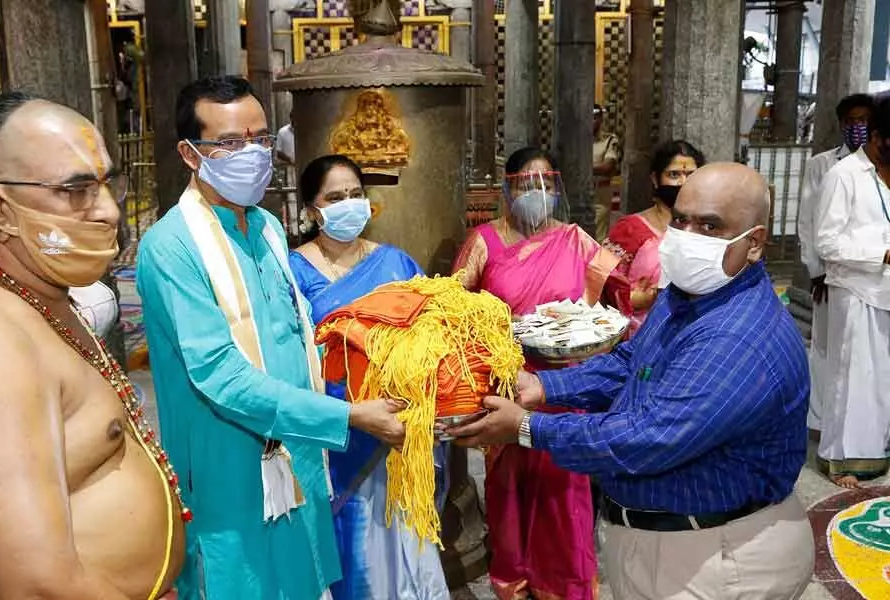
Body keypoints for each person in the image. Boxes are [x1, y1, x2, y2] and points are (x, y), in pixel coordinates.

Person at [448, 162, 815, 600]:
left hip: (717, 556)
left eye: (710, 225)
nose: (687, 235)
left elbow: (649, 437)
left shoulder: (737, 336)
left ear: (754, 243)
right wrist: (545, 388)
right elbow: (630, 360)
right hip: (663, 541)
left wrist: (527, 426)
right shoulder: (690, 293)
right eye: (681, 220)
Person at [0, 92, 186, 600]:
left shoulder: (35, 298)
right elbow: (37, 585)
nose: (109, 211)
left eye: (105, 185)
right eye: (75, 190)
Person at [135, 76, 405, 600]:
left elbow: (293, 335)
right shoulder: (170, 247)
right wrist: (347, 415)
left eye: (260, 140)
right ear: (191, 155)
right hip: (229, 470)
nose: (252, 155)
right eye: (230, 143)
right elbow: (222, 377)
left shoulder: (265, 227)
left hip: (297, 455)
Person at [451, 147, 630, 600]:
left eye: (546, 184)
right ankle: (514, 580)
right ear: (509, 188)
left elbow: (616, 298)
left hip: (566, 381)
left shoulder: (574, 239)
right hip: (506, 382)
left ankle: (564, 583)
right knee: (510, 487)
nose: (537, 193)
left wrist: (626, 273)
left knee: (564, 487)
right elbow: (452, 308)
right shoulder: (484, 242)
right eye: (527, 184)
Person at [289, 154, 450, 600]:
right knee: (352, 559)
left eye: (356, 194)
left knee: (403, 559)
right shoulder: (292, 272)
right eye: (335, 197)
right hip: (337, 435)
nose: (349, 204)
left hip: (399, 435)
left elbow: (432, 336)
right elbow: (287, 358)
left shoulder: (397, 263)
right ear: (310, 209)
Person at [814, 97, 890, 488]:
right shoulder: (844, 175)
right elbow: (826, 243)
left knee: (882, 380)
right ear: (879, 137)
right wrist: (882, 254)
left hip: (886, 290)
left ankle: (878, 450)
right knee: (853, 377)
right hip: (856, 289)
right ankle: (841, 460)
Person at [797, 93, 874, 436]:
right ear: (842, 124)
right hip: (830, 274)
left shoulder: (879, 167)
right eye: (851, 121)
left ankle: (857, 423)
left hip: (869, 275)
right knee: (825, 348)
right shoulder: (823, 165)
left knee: (863, 353)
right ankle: (819, 419)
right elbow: (808, 223)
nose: (858, 127)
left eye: (865, 121)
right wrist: (816, 272)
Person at [603, 139, 706, 334]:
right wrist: (638, 298)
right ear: (655, 179)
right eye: (674, 175)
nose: (683, 183)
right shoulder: (630, 229)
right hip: (637, 338)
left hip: (693, 333)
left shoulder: (707, 231)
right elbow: (600, 285)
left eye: (691, 175)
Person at [593, 104, 620, 241]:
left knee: (598, 236)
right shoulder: (576, 141)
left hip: (600, 193)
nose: (592, 121)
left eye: (595, 117)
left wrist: (582, 168)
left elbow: (608, 167)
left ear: (600, 119)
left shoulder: (609, 140)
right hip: (577, 192)